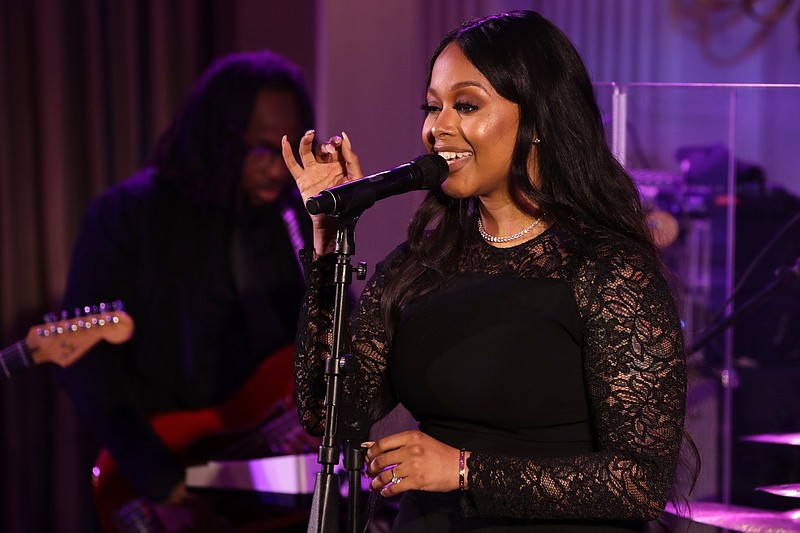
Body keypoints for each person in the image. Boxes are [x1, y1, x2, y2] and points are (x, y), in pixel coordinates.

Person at [283, 10, 691, 532]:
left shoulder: (608, 272)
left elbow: (638, 484)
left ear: (539, 121)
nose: (438, 129)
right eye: (432, 108)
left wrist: (465, 470)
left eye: (467, 106)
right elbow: (326, 414)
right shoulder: (417, 268)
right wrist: (327, 244)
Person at [58, 50, 317, 532]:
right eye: (258, 149)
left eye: (283, 150)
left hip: (272, 485)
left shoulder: (290, 218)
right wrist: (155, 473)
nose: (276, 170)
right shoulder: (128, 215)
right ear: (217, 140)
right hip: (161, 477)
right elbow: (84, 361)